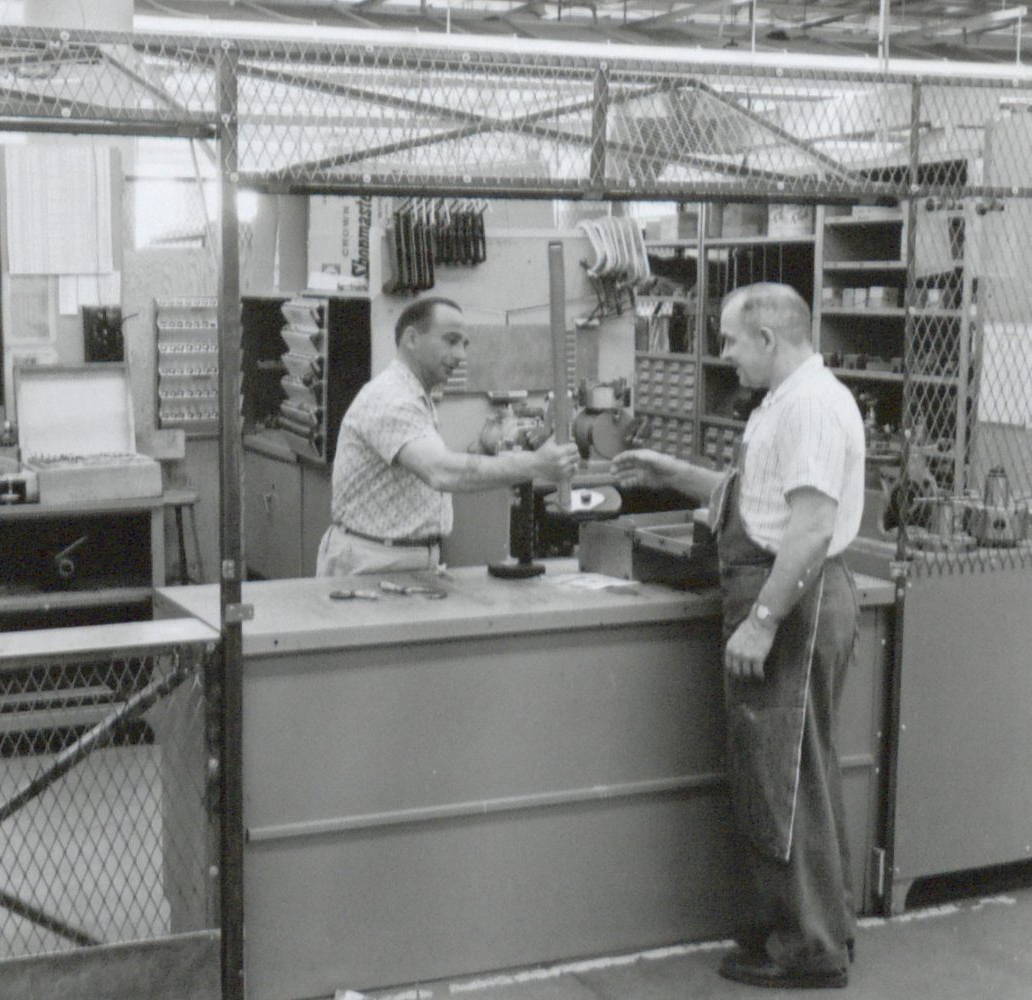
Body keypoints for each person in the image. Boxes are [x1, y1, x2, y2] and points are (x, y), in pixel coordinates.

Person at [613, 282, 865, 990]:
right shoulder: (784, 405)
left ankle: (809, 950)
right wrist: (673, 473)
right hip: (781, 590)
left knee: (784, 775)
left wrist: (762, 621)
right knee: (791, 771)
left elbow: (810, 527)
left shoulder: (810, 406)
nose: (723, 355)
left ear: (769, 339)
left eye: (728, 340)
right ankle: (817, 928)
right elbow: (757, 497)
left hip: (791, 600)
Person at [316, 296, 580, 577]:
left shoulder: (417, 396)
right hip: (374, 562)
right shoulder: (391, 398)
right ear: (412, 339)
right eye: (451, 341)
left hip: (407, 559)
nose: (461, 356)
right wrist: (536, 464)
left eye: (464, 344)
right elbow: (440, 472)